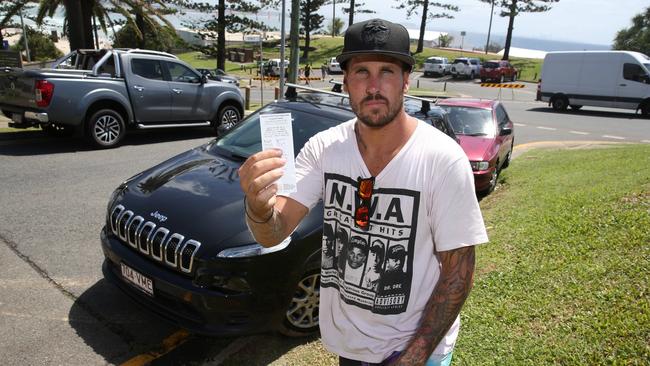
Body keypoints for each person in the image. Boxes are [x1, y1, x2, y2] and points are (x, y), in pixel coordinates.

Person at [239, 18, 488, 366]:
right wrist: (257, 207)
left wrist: (414, 356)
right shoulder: (324, 148)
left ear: (406, 81)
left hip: (415, 349)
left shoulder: (442, 159)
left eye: (386, 71)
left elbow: (458, 272)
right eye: (361, 72)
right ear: (345, 82)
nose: (374, 86)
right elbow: (273, 233)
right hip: (349, 347)